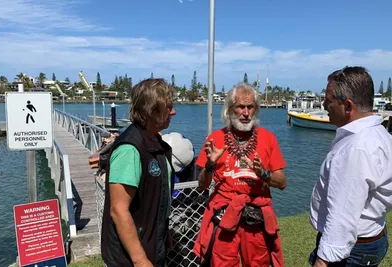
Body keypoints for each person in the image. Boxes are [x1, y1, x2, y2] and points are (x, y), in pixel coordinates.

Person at [193, 82, 287, 267]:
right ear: (230, 109)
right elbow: (202, 185)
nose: (245, 113)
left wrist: (263, 174)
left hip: (256, 218)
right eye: (240, 107)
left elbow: (282, 182)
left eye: (250, 107)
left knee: (258, 263)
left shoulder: (268, 138)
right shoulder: (215, 139)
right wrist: (210, 165)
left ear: (256, 109)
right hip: (224, 215)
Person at [309, 66, 392, 267]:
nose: (323, 104)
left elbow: (342, 213)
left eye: (328, 100)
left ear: (347, 106)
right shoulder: (379, 134)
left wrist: (323, 260)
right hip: (372, 235)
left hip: (352, 249)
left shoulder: (355, 149)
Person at [101, 78, 176, 267]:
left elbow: (157, 198)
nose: (173, 112)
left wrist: (162, 234)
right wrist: (140, 259)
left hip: (152, 244)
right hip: (129, 259)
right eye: (168, 107)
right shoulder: (130, 149)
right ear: (151, 109)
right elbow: (119, 210)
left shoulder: (156, 144)